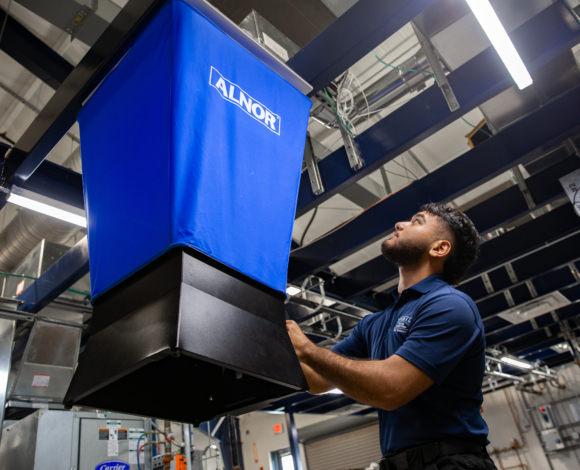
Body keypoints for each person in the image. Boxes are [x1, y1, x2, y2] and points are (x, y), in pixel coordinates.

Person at [286, 202, 497, 470]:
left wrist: (308, 350)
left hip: (450, 463)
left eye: (417, 221)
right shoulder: (374, 323)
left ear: (439, 248)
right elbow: (315, 380)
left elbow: (390, 388)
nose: (400, 224)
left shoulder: (449, 305)